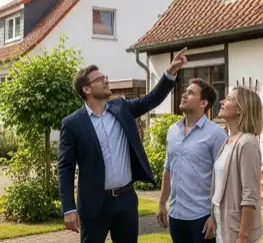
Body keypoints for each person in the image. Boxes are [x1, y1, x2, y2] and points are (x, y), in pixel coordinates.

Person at [58, 49, 188, 243]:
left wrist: (170, 72)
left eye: (105, 77)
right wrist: (68, 208)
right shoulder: (72, 123)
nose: (106, 81)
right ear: (86, 89)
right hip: (94, 204)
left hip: (126, 199)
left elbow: (151, 99)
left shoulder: (121, 107)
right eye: (100, 79)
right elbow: (65, 168)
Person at [157, 78, 228, 243]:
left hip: (202, 218)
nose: (184, 95)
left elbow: (224, 178)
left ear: (203, 102)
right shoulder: (172, 131)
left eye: (191, 93)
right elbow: (168, 169)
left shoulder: (216, 134)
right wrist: (162, 203)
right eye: (185, 91)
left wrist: (214, 215)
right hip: (176, 216)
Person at [211, 87, 263, 243]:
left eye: (228, 99)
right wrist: (212, 218)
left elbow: (250, 194)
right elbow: (219, 188)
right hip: (223, 224)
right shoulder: (228, 141)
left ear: (241, 109)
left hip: (237, 230)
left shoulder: (247, 143)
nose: (221, 101)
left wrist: (243, 235)